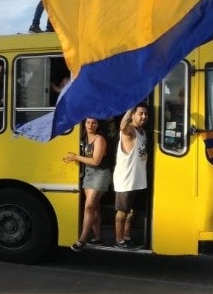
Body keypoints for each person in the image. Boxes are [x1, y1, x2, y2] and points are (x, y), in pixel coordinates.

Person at [63, 118, 112, 251]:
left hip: (101, 173)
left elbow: (96, 161)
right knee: (94, 207)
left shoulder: (99, 139)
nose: (91, 125)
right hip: (89, 173)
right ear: (84, 124)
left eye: (94, 123)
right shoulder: (83, 138)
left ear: (98, 125)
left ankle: (82, 240)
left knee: (89, 206)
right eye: (88, 122)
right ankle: (97, 237)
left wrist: (76, 157)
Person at [112, 103, 149, 249]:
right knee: (122, 212)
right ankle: (118, 240)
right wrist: (130, 106)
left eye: (146, 114)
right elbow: (122, 126)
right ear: (133, 115)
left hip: (138, 180)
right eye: (140, 113)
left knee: (133, 211)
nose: (144, 116)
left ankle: (127, 237)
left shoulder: (142, 132)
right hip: (126, 180)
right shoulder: (129, 131)